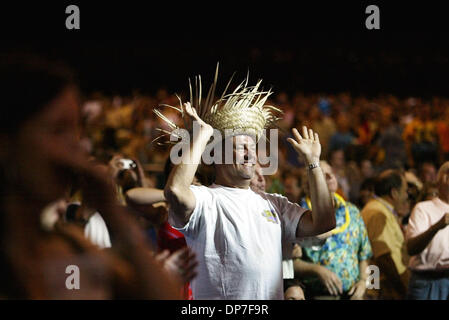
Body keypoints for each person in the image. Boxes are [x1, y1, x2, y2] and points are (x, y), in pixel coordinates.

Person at [0, 53, 183, 299]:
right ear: (7, 143)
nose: (77, 147)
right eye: (58, 130)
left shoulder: (70, 247)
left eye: (76, 129)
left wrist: (113, 214)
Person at [159, 70, 335, 299]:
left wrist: (313, 164)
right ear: (219, 155)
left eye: (253, 148)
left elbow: (324, 222)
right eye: (241, 146)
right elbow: (175, 191)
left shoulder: (275, 204)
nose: (250, 153)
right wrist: (202, 136)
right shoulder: (206, 200)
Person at [294, 161, 372, 300]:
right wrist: (318, 271)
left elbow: (364, 255)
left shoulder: (352, 211)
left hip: (352, 294)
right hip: (318, 295)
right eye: (321, 173)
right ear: (307, 186)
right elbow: (289, 263)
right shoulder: (298, 215)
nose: (330, 175)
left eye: (330, 171)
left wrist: (363, 282)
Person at [361, 170, 410, 299]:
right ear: (394, 193)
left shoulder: (377, 209)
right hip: (384, 289)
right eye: (405, 191)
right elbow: (384, 257)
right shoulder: (377, 213)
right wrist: (402, 288)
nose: (407, 195)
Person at [405, 161, 449, 300]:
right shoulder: (423, 208)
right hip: (429, 282)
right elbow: (411, 248)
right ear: (443, 178)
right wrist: (437, 227)